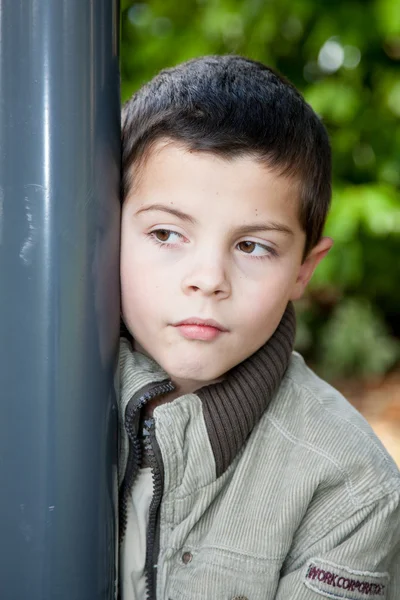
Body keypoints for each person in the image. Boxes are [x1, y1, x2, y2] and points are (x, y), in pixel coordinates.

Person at [118, 55, 400, 600]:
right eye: (166, 234)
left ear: (303, 269)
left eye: (252, 246)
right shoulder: (34, 402)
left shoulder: (353, 488)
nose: (208, 280)